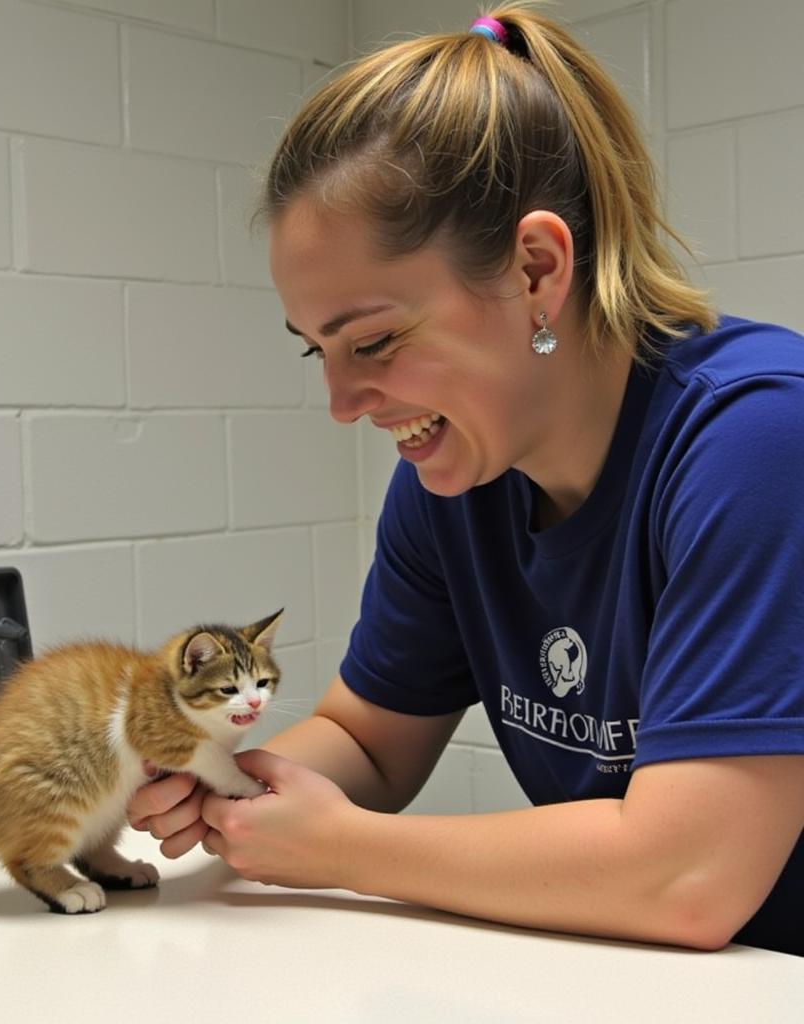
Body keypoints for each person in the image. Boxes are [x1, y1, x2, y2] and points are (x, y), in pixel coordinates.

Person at [128, 2, 804, 955]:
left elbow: (687, 878)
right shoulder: (455, 478)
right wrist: (219, 781)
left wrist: (345, 849)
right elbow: (368, 741)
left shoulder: (761, 441)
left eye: (374, 341)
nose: (343, 400)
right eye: (315, 349)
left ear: (535, 269)